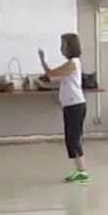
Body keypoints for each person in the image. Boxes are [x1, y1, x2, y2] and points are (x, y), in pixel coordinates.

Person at [38, 33, 90, 183]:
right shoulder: (71, 64)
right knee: (71, 138)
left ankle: (83, 172)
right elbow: (55, 79)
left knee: (73, 138)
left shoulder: (72, 63)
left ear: (70, 47)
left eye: (63, 45)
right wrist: (44, 84)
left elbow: (51, 74)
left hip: (75, 105)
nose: (61, 49)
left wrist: (43, 60)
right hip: (71, 106)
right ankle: (80, 170)